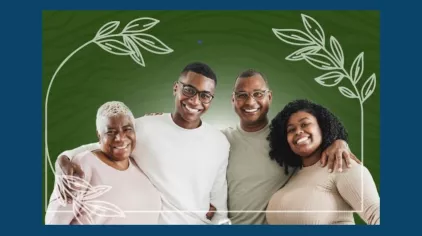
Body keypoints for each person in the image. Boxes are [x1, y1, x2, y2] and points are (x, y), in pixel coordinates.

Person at [53, 62, 230, 224]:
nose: (195, 100)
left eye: (205, 95)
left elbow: (219, 202)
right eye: (189, 90)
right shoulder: (145, 127)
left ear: (211, 99)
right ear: (176, 88)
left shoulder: (219, 142)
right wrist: (64, 158)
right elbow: (106, 143)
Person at [223, 69, 361, 224]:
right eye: (242, 95)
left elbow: (315, 140)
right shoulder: (220, 140)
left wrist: (339, 141)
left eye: (258, 94)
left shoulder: (285, 140)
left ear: (269, 97)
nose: (250, 102)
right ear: (233, 100)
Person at [265, 99, 380, 225]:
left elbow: (377, 215)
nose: (298, 131)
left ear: (323, 127)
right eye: (291, 130)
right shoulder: (292, 176)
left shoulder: (343, 165)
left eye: (304, 124)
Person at [45, 101, 161, 225]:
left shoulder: (142, 165)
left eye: (127, 129)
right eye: (110, 132)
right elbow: (55, 222)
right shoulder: (82, 166)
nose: (120, 138)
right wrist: (63, 158)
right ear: (99, 135)